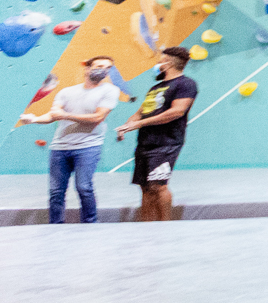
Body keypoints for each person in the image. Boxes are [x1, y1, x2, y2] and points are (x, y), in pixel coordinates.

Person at [22, 56, 123, 224]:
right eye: (99, 66)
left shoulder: (110, 91)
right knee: (56, 191)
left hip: (88, 147)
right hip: (59, 147)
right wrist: (34, 119)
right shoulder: (66, 92)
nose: (103, 70)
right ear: (87, 68)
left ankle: (90, 223)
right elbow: (53, 115)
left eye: (108, 67)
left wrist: (66, 115)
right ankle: (55, 225)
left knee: (84, 187)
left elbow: (97, 117)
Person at [116, 46, 197, 222]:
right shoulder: (156, 87)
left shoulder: (185, 84)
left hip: (166, 142)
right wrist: (126, 126)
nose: (158, 63)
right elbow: (140, 112)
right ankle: (147, 226)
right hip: (145, 141)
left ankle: (164, 225)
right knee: (145, 187)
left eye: (160, 60)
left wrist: (139, 124)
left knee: (158, 186)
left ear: (167, 63)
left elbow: (176, 112)